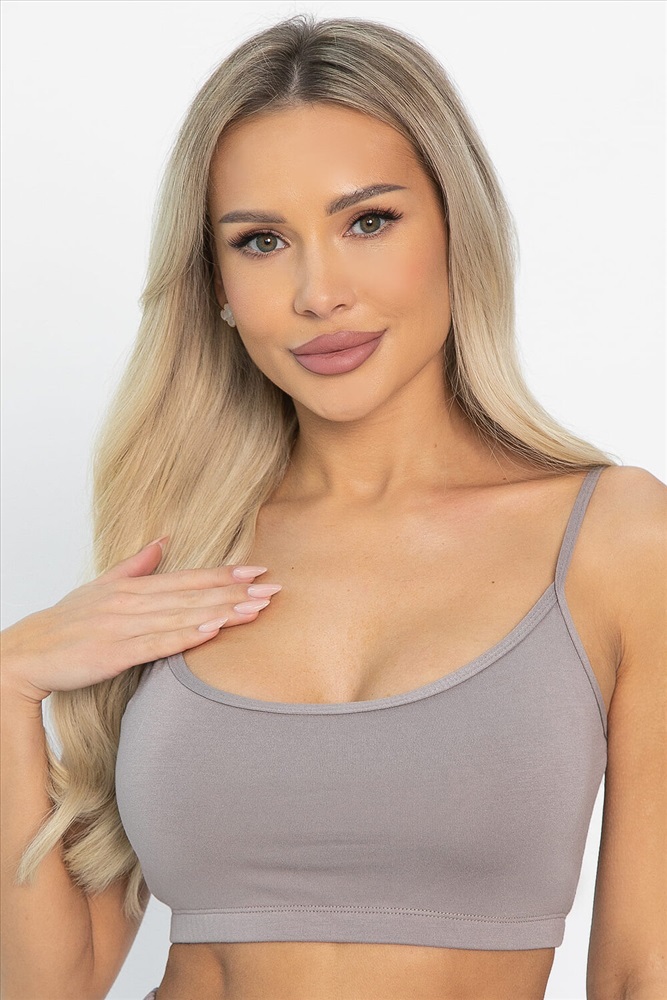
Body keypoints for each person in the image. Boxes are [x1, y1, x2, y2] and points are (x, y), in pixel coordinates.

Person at [1, 12, 665, 1000]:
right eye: (261, 241)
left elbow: (641, 970)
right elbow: (51, 983)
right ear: (217, 285)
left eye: (368, 221)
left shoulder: (616, 537)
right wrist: (9, 680)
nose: (319, 292)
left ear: (456, 228)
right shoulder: (183, 544)